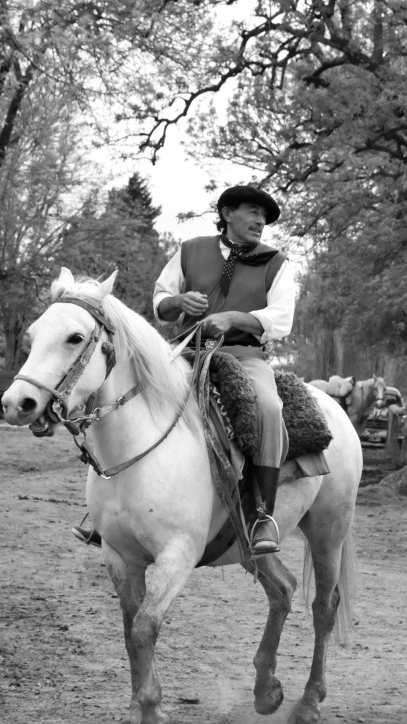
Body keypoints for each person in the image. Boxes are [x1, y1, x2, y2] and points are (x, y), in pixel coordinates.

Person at [73, 184, 294, 554]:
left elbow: (281, 317)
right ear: (227, 214)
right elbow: (160, 301)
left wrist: (234, 318)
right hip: (184, 351)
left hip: (244, 354)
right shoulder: (191, 250)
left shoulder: (276, 261)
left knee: (269, 408)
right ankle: (107, 510)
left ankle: (262, 514)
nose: (260, 221)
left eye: (264, 217)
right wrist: (179, 301)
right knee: (128, 398)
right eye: (253, 212)